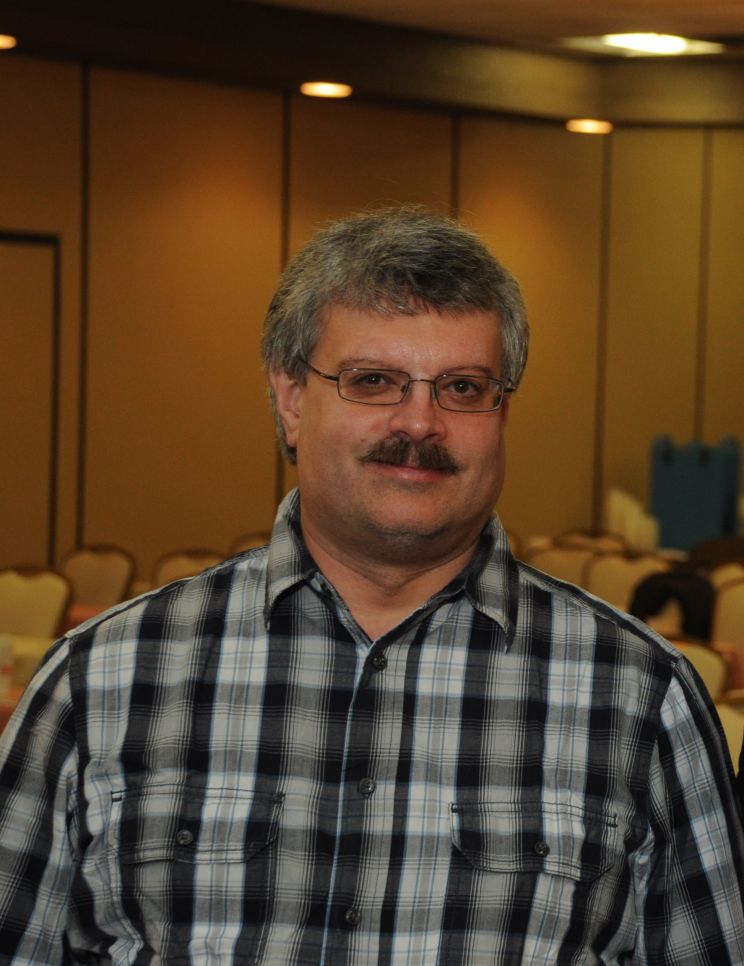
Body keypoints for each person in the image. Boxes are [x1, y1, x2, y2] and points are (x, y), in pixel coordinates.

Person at [0, 206, 742, 964]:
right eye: (374, 381)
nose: (419, 423)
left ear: (502, 414)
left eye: (462, 387)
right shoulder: (100, 680)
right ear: (291, 400)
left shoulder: (641, 696)